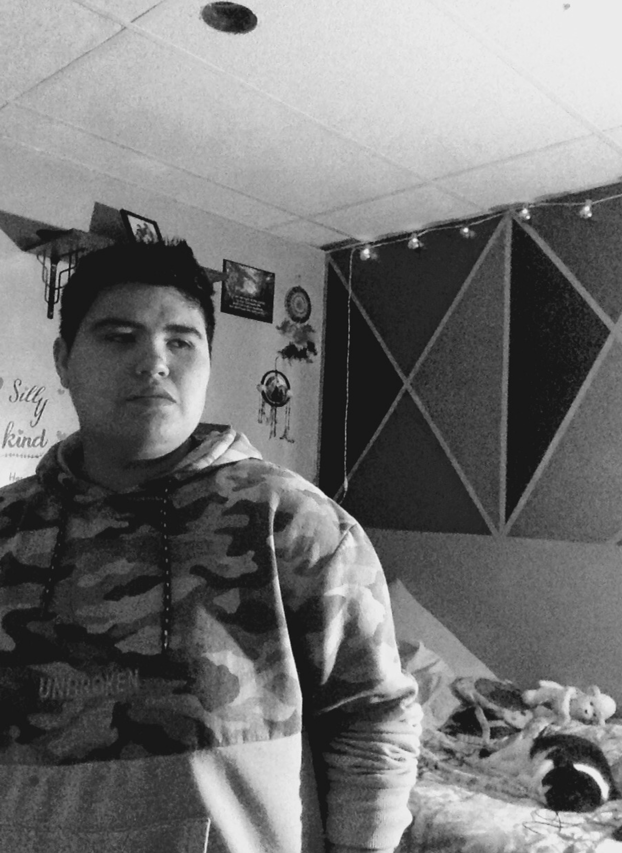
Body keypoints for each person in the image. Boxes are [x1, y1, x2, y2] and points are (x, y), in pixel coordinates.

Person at [0, 239, 421, 853]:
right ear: (64, 361)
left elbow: (372, 716)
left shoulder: (293, 522)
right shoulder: (8, 527)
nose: (154, 362)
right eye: (118, 337)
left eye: (181, 341)